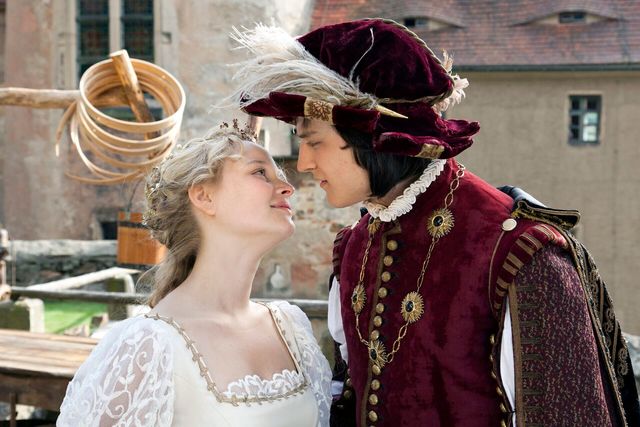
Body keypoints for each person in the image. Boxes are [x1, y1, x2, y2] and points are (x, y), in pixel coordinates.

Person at [228, 19, 640, 426]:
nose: (303, 163)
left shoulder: (520, 255)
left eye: (314, 141)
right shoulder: (354, 248)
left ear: (372, 137)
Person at [57, 121, 332, 427]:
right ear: (204, 197)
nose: (287, 187)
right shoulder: (150, 345)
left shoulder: (292, 328)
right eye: (260, 172)